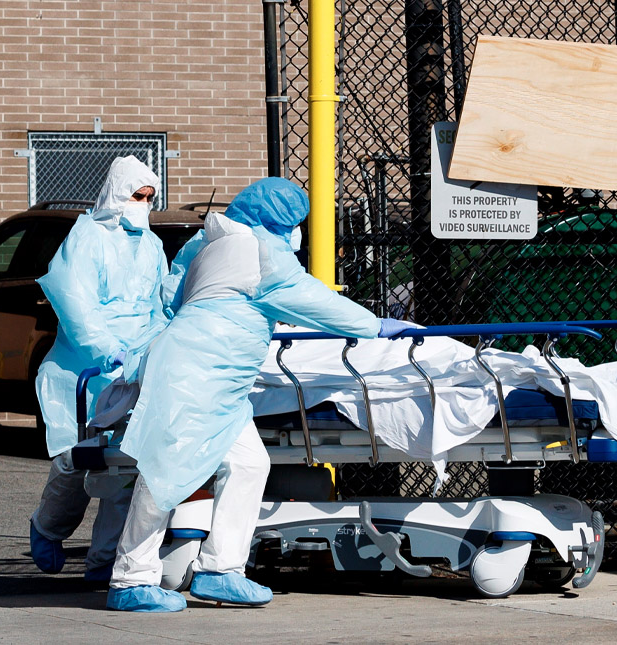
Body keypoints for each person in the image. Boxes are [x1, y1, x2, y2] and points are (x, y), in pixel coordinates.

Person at [106, 177, 417, 611]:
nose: (297, 233)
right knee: (166, 473)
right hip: (199, 371)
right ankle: (131, 581)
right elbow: (310, 299)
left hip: (218, 376)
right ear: (280, 220)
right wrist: (374, 326)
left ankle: (221, 571)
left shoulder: (208, 242)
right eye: (295, 223)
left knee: (250, 463)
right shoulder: (262, 253)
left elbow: (174, 298)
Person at [29, 156, 170, 581]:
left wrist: (156, 350)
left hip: (134, 368)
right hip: (86, 369)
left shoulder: (151, 245)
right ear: (115, 194)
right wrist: (107, 349)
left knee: (126, 467)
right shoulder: (85, 237)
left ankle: (104, 559)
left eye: (149, 197)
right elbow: (75, 303)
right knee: (76, 462)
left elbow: (159, 306)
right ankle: (47, 526)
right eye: (135, 195)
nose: (142, 204)